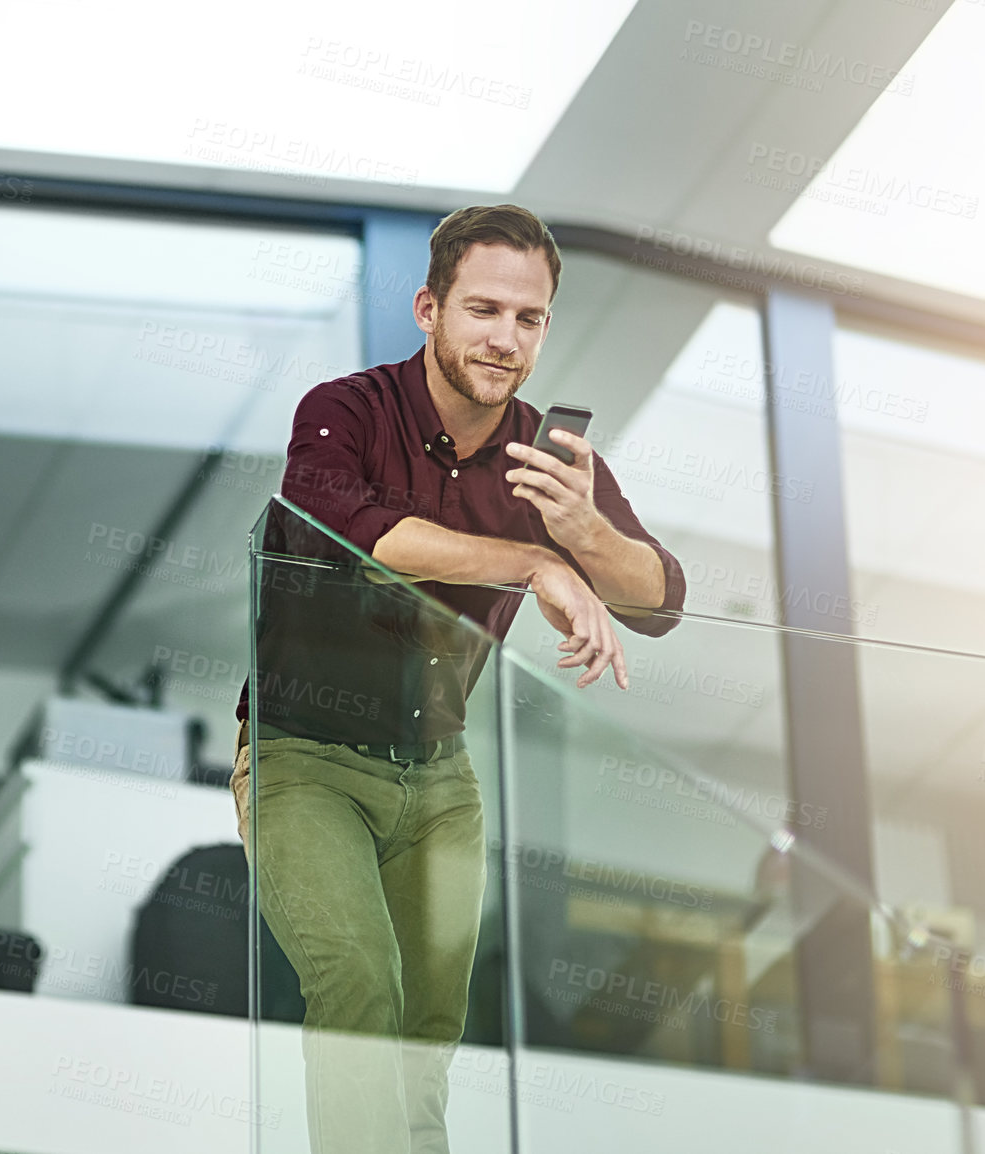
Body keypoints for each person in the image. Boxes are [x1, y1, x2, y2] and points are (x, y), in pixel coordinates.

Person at [230, 204, 686, 1153]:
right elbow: (359, 532)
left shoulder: (544, 456)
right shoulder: (343, 410)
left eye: (528, 319)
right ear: (428, 309)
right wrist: (531, 563)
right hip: (302, 757)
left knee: (429, 1036)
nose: (505, 338)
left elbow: (660, 595)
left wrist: (584, 535)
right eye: (483, 310)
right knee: (359, 981)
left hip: (440, 781)